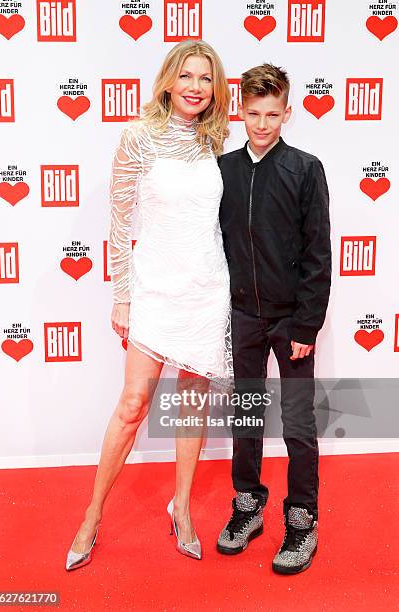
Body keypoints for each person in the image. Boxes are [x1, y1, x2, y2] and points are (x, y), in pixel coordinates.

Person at [65, 40, 232, 570]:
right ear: (166, 80)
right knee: (133, 404)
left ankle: (181, 506)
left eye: (206, 78)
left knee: (190, 403)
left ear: (216, 87)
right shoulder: (137, 137)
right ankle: (92, 515)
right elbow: (118, 225)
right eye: (186, 76)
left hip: (206, 290)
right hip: (155, 288)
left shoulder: (217, 139)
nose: (195, 87)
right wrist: (121, 295)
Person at [217, 64, 331, 574]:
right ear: (239, 110)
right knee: (246, 414)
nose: (261, 124)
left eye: (272, 114)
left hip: (291, 322)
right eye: (252, 113)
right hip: (243, 314)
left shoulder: (305, 169)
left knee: (298, 421)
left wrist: (306, 326)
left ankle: (302, 517)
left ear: (288, 112)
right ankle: (248, 504)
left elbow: (318, 254)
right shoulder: (222, 170)